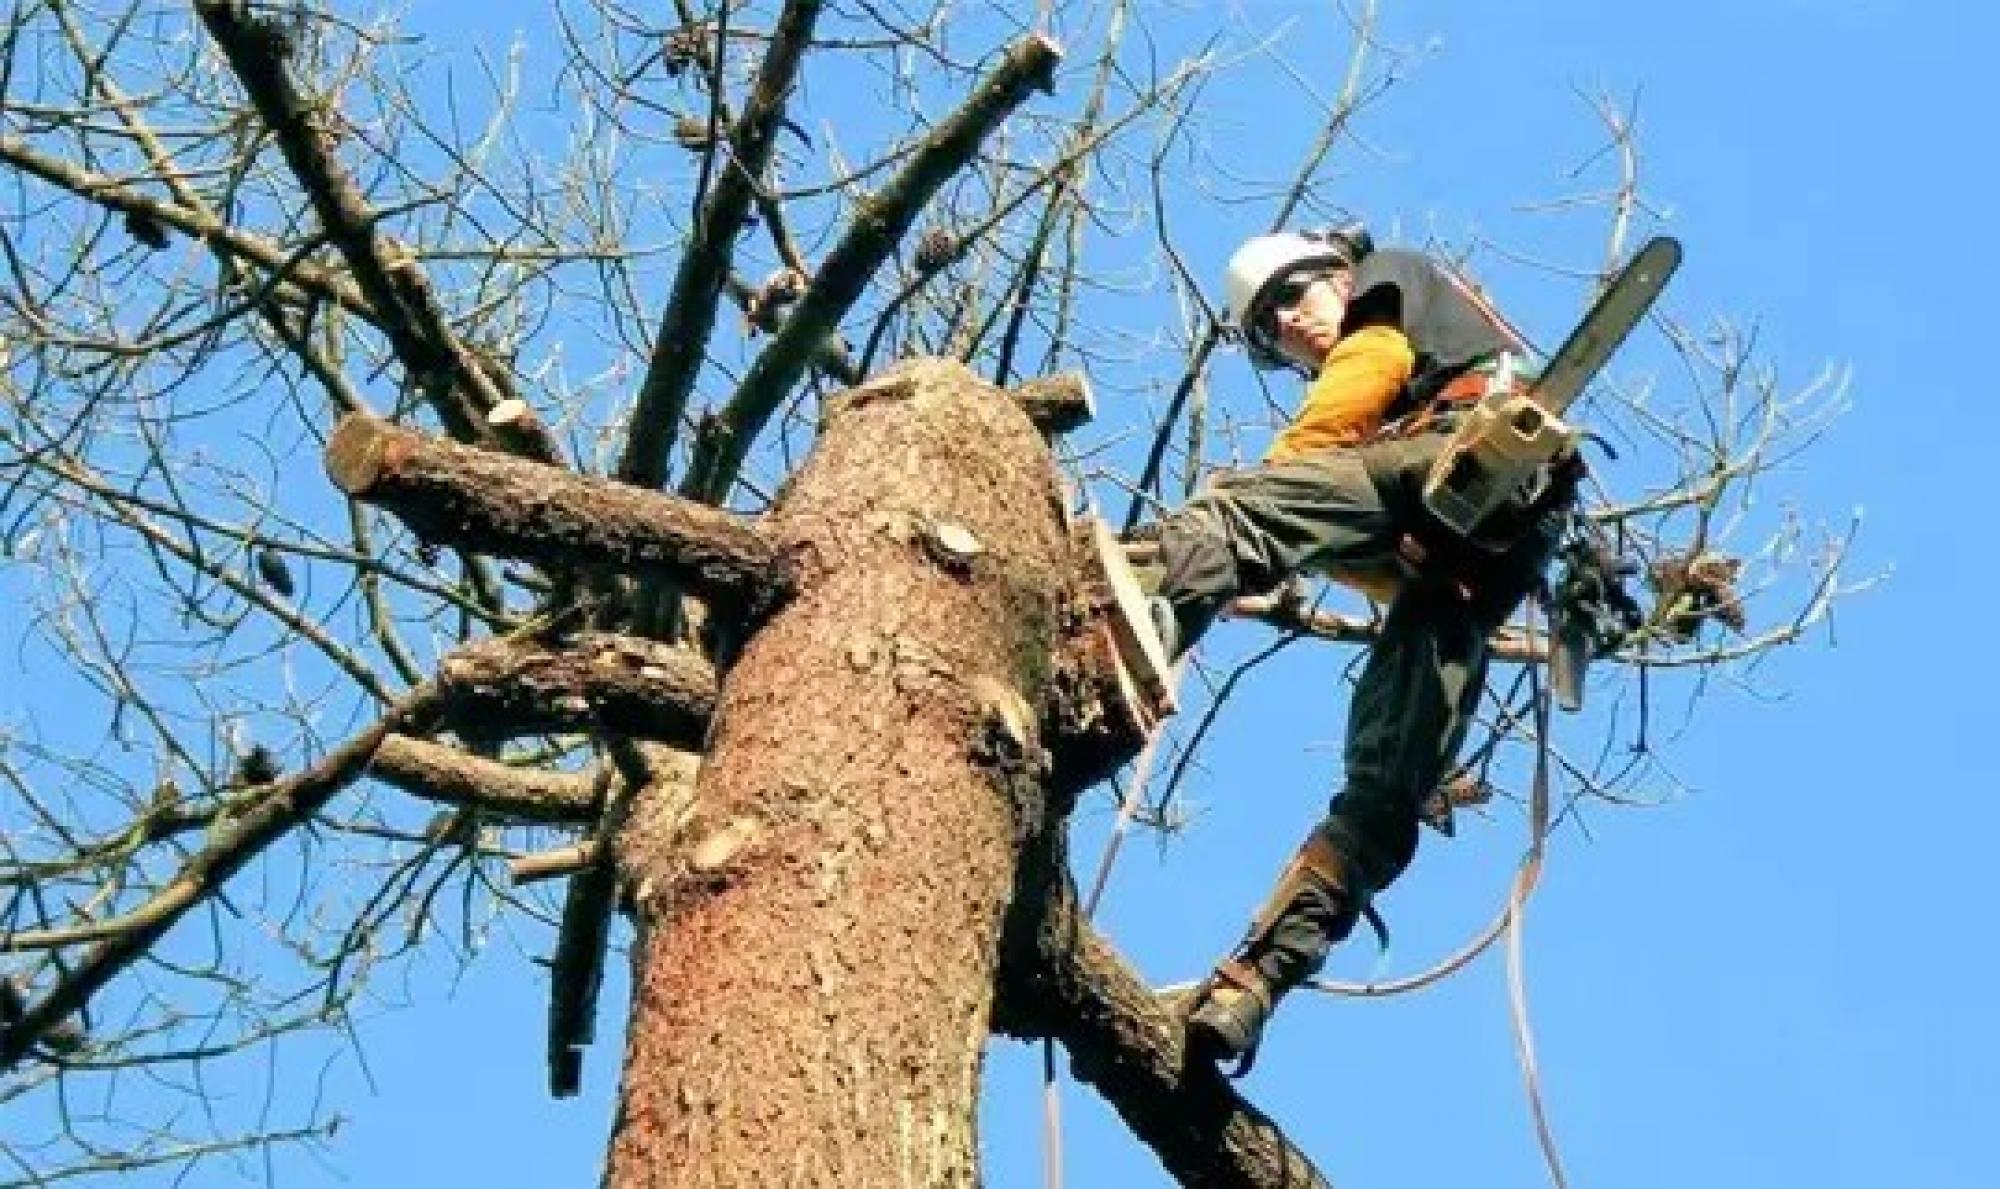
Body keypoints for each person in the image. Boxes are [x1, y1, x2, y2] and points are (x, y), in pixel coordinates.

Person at [1146, 225, 1574, 1071]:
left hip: (1454, 451)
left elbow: (1364, 372)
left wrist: (1285, 474)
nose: (1290, 329)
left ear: (1334, 274)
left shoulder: (1388, 285)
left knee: (1239, 508)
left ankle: (1128, 608)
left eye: (1292, 300)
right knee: (1385, 789)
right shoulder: (1399, 367)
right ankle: (1256, 980)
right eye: (1268, 331)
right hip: (1477, 566)